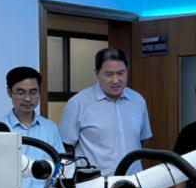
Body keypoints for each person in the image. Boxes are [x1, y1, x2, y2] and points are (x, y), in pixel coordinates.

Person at [59, 47, 152, 176]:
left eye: (121, 73)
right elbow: (66, 148)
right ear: (97, 73)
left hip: (133, 182)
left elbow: (141, 141)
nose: (116, 80)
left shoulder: (138, 100)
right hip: (95, 184)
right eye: (109, 74)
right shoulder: (77, 103)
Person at [2, 66, 64, 188]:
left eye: (33, 92)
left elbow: (60, 166)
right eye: (21, 92)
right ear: (9, 92)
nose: (28, 98)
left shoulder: (50, 128)